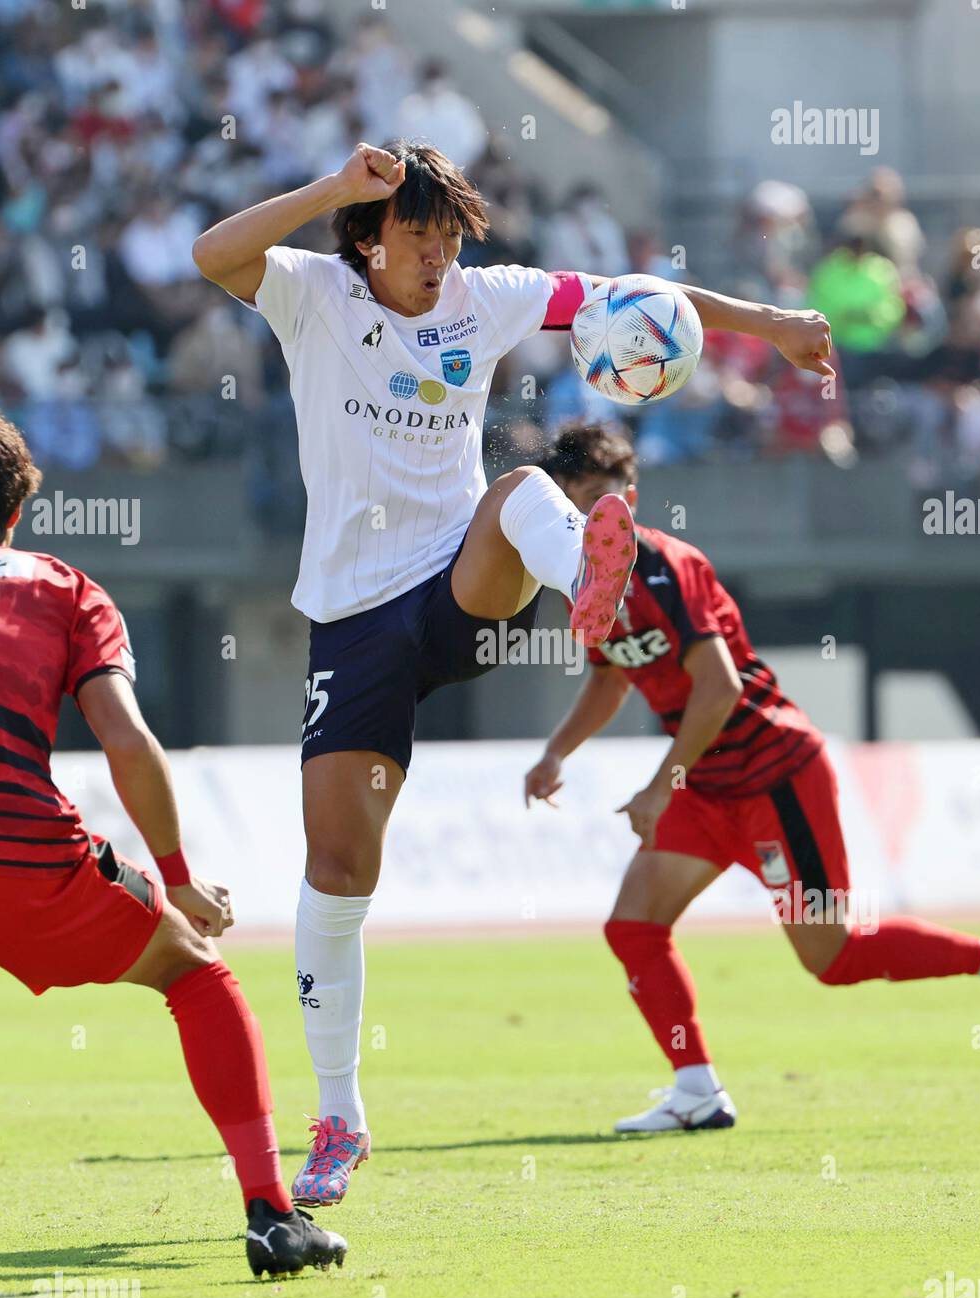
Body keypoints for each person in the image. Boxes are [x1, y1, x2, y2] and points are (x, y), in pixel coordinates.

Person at [192, 138, 834, 1203]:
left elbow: (642, 291)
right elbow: (213, 252)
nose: (439, 257)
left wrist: (770, 325)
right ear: (368, 235)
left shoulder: (485, 301)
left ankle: (588, 572)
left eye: (450, 239)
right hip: (352, 622)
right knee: (338, 872)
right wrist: (331, 190)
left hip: (460, 586)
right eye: (418, 235)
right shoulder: (309, 292)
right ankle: (338, 1118)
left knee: (522, 485)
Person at [524, 424, 980, 1133]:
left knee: (831, 958)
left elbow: (714, 690)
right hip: (707, 786)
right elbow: (612, 678)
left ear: (632, 496)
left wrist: (660, 787)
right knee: (633, 925)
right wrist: (558, 751)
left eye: (603, 500)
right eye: (578, 504)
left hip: (776, 775)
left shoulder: (664, 567)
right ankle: (696, 1090)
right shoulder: (585, 583)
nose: (594, 517)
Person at [0, 410, 344, 1279]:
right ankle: (270, 1216)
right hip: (14, 846)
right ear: (17, 510)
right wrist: (176, 880)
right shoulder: (63, 590)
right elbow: (128, 741)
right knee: (192, 969)